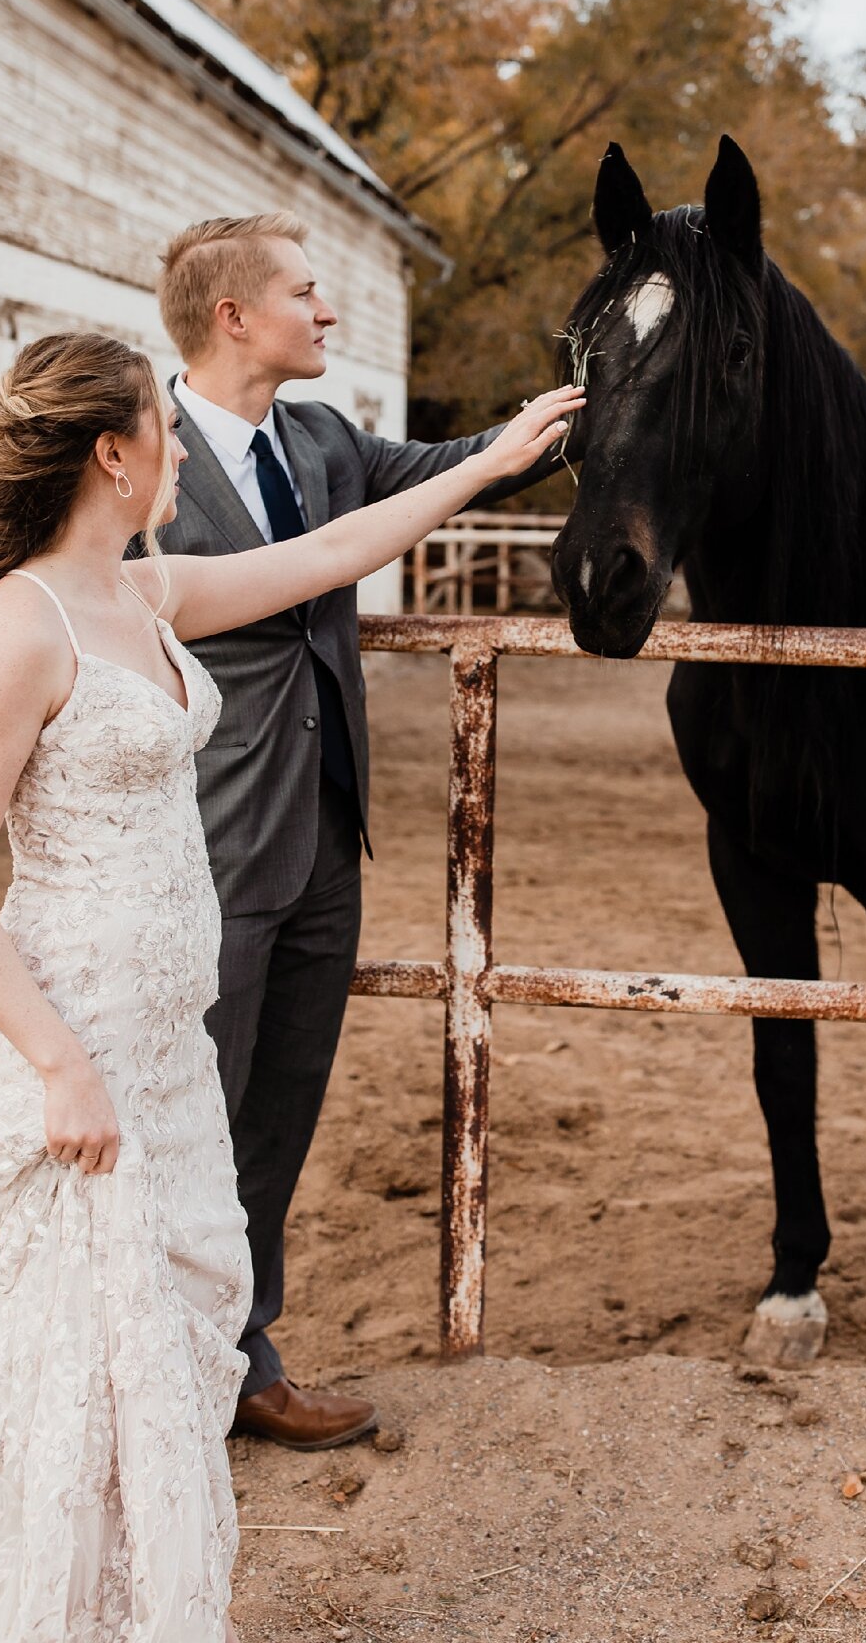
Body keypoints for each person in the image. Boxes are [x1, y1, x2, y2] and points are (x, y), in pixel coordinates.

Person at [0, 330, 581, 1642]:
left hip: (163, 1051)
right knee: (73, 1381)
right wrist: (57, 1064)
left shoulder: (142, 595)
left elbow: (328, 555)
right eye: (163, 419)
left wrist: (489, 464)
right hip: (78, 1048)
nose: (179, 442)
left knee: (158, 1368)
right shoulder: (21, 623)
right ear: (113, 452)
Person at [153, 212, 562, 1449]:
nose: (328, 311)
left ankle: (243, 1350)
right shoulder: (138, 456)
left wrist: (591, 396)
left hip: (329, 839)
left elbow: (462, 459)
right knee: (191, 1114)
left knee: (278, 1115)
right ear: (235, 317)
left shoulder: (322, 437)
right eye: (307, 291)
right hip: (202, 845)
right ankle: (158, 1373)